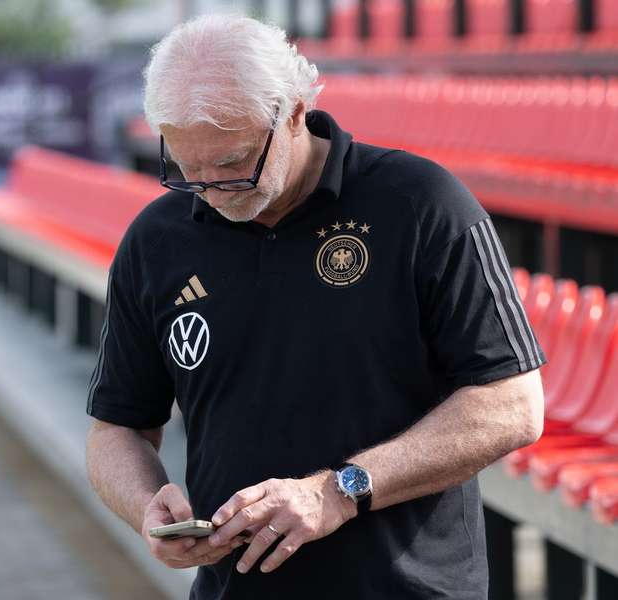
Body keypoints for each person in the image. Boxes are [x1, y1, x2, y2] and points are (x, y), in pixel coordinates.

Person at [85, 13, 545, 599]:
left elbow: (511, 404)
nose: (212, 190)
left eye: (231, 164)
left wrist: (338, 491)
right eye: (187, 169)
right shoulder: (158, 238)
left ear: (295, 111)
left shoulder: (420, 203)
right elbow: (117, 425)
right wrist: (147, 507)